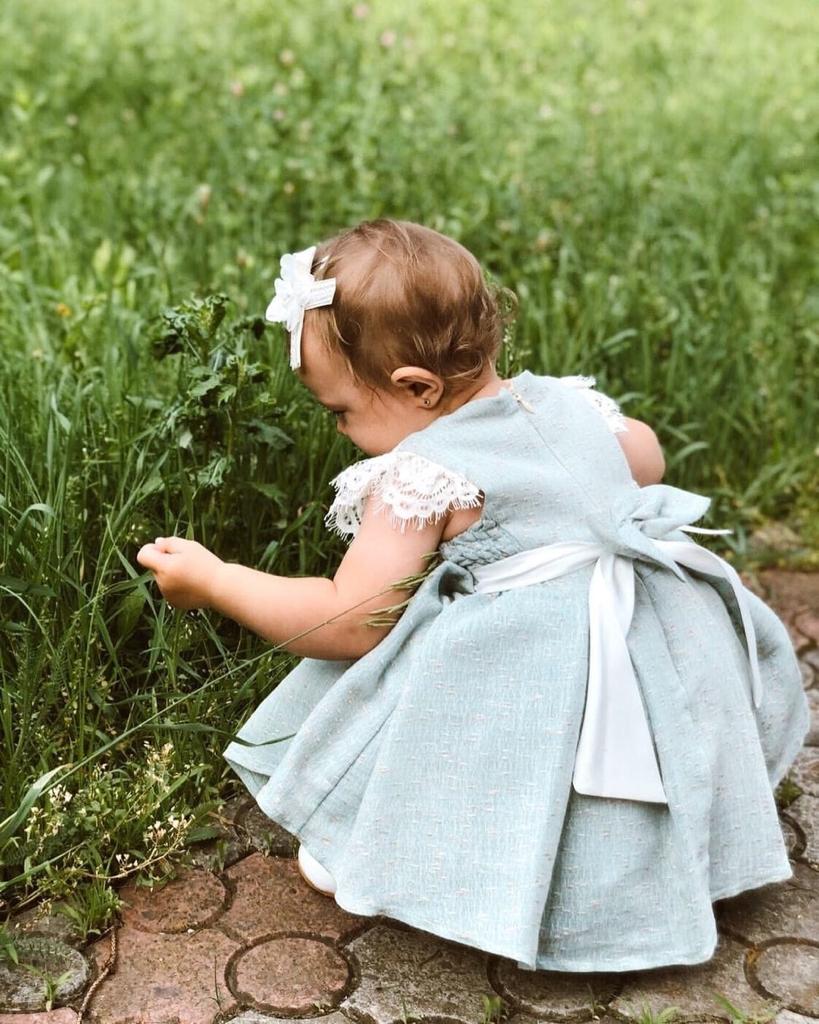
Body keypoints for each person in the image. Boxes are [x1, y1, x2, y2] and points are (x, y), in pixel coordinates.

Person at [136, 218, 808, 973]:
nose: (339, 431)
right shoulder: (564, 403)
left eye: (341, 413)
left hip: (543, 651)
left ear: (415, 389)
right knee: (652, 727)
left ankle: (407, 853)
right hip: (662, 623)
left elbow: (351, 619)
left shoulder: (426, 473)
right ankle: (691, 852)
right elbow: (645, 457)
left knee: (483, 719)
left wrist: (217, 579)